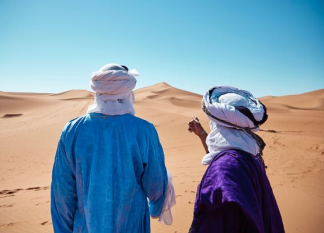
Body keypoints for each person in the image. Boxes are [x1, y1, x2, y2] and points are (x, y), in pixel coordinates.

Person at [51, 63, 175, 233]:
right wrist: (156, 206)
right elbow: (156, 186)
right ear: (127, 93)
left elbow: (62, 194)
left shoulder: (72, 130)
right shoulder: (144, 130)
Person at [188, 86, 285, 233]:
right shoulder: (250, 155)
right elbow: (225, 156)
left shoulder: (224, 169)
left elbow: (215, 223)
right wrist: (201, 133)